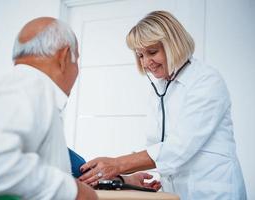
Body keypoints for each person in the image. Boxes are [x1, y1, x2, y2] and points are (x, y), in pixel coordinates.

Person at [79, 11, 247, 199]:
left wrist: (117, 164)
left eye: (152, 52)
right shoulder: (160, 89)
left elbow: (178, 148)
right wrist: (129, 177)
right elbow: (155, 145)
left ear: (174, 44)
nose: (146, 63)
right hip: (176, 191)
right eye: (140, 55)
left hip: (213, 190)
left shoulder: (206, 81)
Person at [0, 17, 98, 200]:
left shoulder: (15, 88)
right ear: (64, 56)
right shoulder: (30, 86)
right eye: (76, 59)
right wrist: (70, 190)